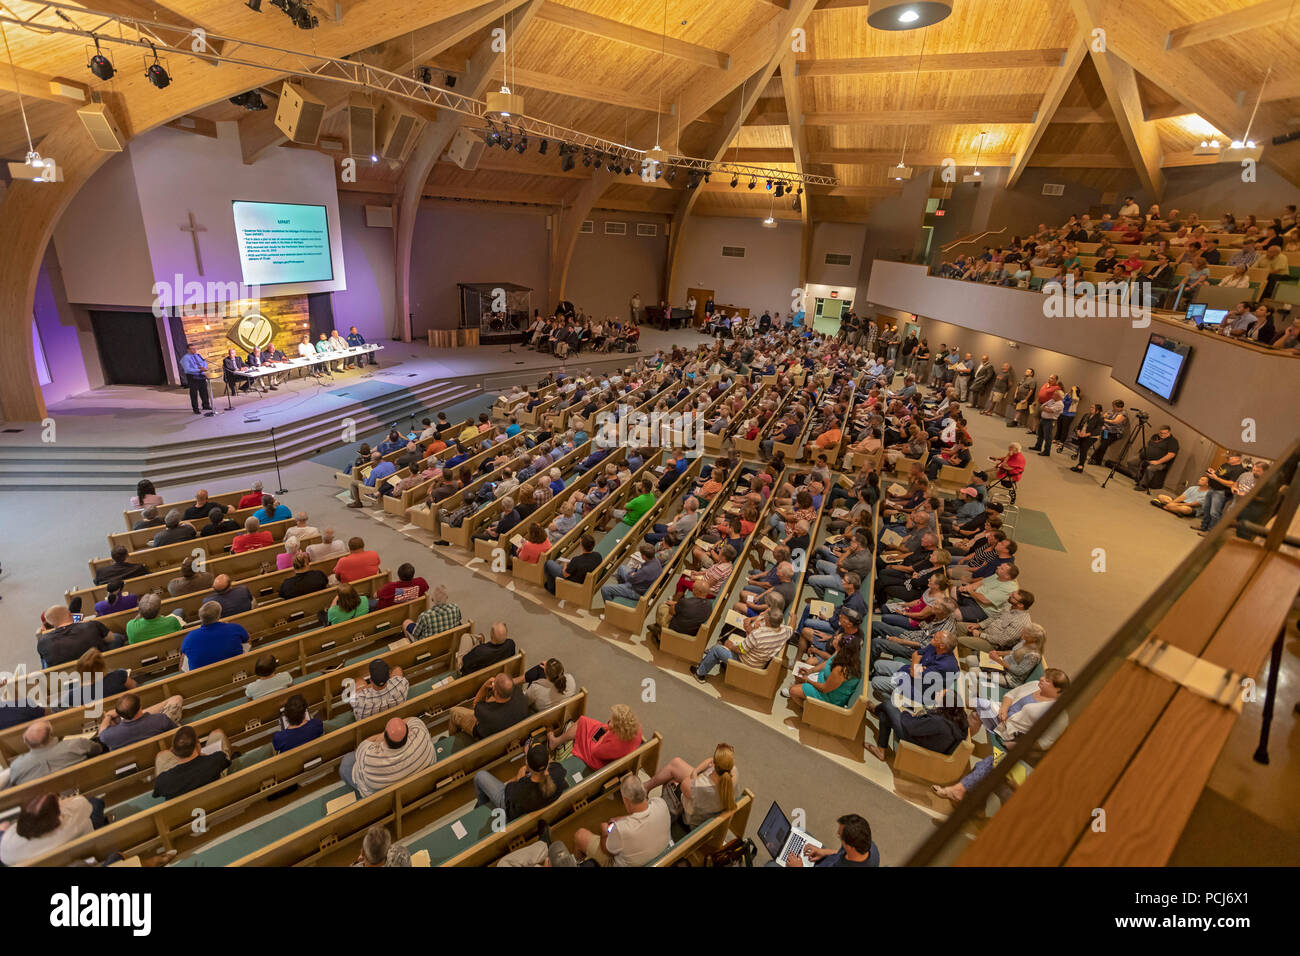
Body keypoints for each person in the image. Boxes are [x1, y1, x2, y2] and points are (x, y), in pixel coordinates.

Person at [572, 773, 671, 867]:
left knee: (580, 836)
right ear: (643, 791)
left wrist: (604, 831)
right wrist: (623, 819)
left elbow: (607, 850)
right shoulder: (660, 803)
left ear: (626, 801)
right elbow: (644, 815)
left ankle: (578, 862)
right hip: (659, 856)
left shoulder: (622, 829)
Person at [643, 742, 738, 827]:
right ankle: (646, 787)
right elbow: (710, 761)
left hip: (692, 818)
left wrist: (694, 773)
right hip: (708, 808)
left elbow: (684, 785)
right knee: (676, 763)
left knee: (672, 780)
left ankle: (658, 815)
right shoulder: (733, 772)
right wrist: (696, 771)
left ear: (715, 764)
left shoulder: (703, 787)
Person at [473, 738, 569, 822]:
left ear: (527, 765)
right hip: (540, 805)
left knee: (480, 776)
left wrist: (520, 775)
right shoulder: (558, 772)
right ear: (548, 761)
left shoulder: (521, 790)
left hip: (511, 807)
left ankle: (482, 806)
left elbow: (507, 791)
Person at [340, 715, 436, 798]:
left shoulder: (369, 756)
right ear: (408, 733)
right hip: (420, 784)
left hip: (382, 799)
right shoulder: (420, 733)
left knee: (347, 762)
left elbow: (365, 744)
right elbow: (411, 719)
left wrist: (381, 736)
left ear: (385, 737)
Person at [0, 793, 107, 866]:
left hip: (19, 859)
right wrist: (64, 803)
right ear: (56, 816)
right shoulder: (71, 824)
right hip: (79, 851)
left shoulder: (7, 842)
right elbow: (83, 803)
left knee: (3, 826)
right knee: (96, 803)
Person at [691, 604, 792, 681]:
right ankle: (720, 662)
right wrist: (794, 617)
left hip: (747, 662)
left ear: (768, 621)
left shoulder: (758, 634)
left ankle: (700, 673)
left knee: (717, 648)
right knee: (728, 643)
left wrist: (729, 645)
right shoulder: (785, 631)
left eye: (765, 617)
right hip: (760, 661)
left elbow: (740, 650)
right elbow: (792, 626)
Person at [4, 720, 103, 787]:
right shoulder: (76, 744)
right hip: (87, 784)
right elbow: (98, 750)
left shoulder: (17, 766)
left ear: (27, 743)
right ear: (51, 734)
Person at [548, 704, 642, 770]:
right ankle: (560, 740)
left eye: (612, 720)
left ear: (618, 728)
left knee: (582, 723)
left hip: (599, 760)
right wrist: (609, 729)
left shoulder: (614, 745)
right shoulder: (636, 729)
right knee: (586, 722)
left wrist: (604, 735)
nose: (610, 720)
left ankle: (556, 742)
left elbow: (596, 752)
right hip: (614, 748)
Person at [152, 725, 232, 800]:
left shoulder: (163, 781)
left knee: (161, 755)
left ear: (174, 751)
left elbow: (156, 794)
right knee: (218, 734)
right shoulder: (217, 760)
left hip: (185, 813)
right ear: (198, 744)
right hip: (215, 799)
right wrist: (203, 755)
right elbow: (227, 761)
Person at [446, 672, 529, 739]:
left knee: (454, 711)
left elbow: (476, 704)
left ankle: (452, 739)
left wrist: (485, 686)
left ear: (495, 692)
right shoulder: (521, 695)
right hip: (509, 733)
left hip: (482, 734)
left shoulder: (486, 713)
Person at [37, 606, 125, 667]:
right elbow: (111, 638)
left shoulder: (42, 641)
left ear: (51, 624)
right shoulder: (92, 625)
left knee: (45, 659)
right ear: (70, 614)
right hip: (98, 666)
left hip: (67, 677)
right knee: (117, 637)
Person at [779, 813, 879, 867]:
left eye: (840, 837)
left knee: (772, 864)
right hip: (829, 860)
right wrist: (824, 852)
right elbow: (842, 853)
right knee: (799, 830)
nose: (837, 834)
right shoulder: (870, 847)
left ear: (849, 846)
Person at [97, 692, 183, 751]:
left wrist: (108, 715)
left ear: (120, 715)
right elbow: (177, 731)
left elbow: (101, 732)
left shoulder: (108, 735)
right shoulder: (160, 719)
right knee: (176, 699)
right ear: (140, 707)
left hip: (133, 765)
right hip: (163, 750)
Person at [180, 601, 248, 671]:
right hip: (236, 671)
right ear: (219, 615)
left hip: (202, 678)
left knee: (185, 655)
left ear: (201, 618)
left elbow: (183, 655)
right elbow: (247, 639)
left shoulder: (190, 636)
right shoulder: (234, 627)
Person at [1134, 424, 1179, 492]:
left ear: (1169, 433)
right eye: (1161, 433)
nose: (1162, 435)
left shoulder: (1173, 441)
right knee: (1131, 462)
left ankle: (1143, 485)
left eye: (1164, 433)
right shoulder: (1155, 437)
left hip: (1160, 462)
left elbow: (1171, 455)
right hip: (1146, 457)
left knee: (1150, 468)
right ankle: (1138, 478)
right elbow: (1148, 445)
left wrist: (1158, 462)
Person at [179, 343, 213, 414]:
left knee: (204, 392)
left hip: (201, 376)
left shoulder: (198, 355)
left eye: (195, 349)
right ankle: (195, 408)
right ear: (188, 350)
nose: (194, 350)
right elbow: (187, 370)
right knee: (194, 394)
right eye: (192, 349)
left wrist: (204, 368)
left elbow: (204, 363)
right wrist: (199, 370)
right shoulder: (185, 358)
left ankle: (206, 405)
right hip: (192, 377)